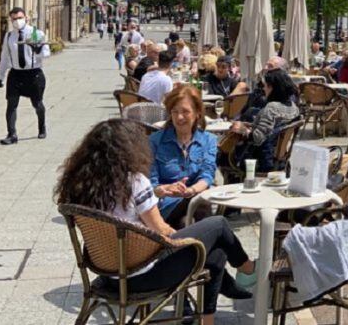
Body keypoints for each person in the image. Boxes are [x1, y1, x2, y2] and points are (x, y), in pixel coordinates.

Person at [57, 118, 255, 324]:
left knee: (214, 246)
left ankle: (211, 314)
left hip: (108, 273)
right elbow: (162, 231)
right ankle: (248, 270)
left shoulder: (79, 185)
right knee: (218, 225)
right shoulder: (133, 182)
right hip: (144, 276)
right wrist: (186, 238)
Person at [149, 85, 217, 227]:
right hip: (166, 206)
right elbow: (151, 184)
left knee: (189, 219)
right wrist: (165, 189)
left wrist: (191, 190)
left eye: (185, 112)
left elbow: (207, 175)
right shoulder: (155, 141)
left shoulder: (208, 140)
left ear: (198, 113)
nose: (179, 117)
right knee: (203, 212)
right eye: (175, 112)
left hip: (194, 200)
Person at [228, 68, 301, 172]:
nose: (264, 89)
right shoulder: (293, 107)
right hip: (279, 158)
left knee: (222, 156)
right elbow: (273, 129)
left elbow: (258, 138)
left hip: (260, 160)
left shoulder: (271, 108)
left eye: (266, 86)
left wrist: (244, 130)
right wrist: (251, 125)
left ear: (273, 88)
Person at [0, 8, 50, 144]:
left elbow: (46, 53)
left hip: (33, 73)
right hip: (15, 74)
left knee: (37, 104)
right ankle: (11, 134)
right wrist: (0, 77)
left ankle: (42, 126)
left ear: (26, 17)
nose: (17, 21)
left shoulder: (35, 33)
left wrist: (36, 49)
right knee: (11, 104)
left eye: (19, 18)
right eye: (14, 19)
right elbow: (4, 57)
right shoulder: (9, 36)